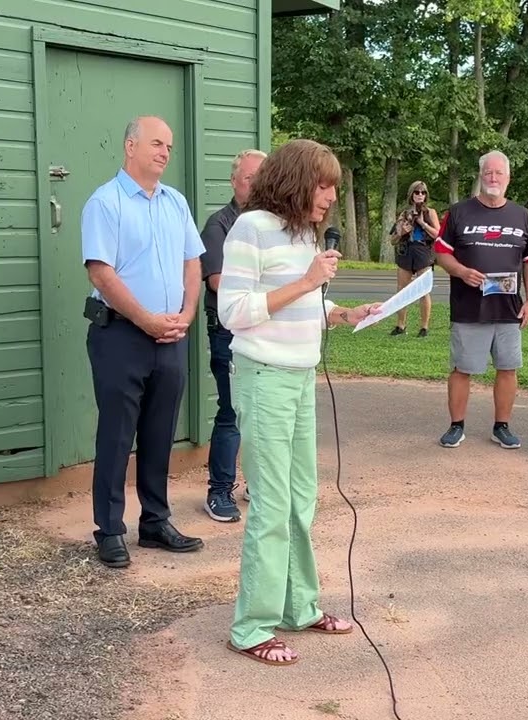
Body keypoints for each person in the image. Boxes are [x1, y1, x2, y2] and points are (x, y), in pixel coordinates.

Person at [218, 138, 381, 666]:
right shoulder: (251, 228)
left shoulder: (304, 234)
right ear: (294, 181)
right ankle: (251, 627)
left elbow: (305, 296)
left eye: (334, 186)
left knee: (300, 499)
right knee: (270, 505)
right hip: (264, 378)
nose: (331, 196)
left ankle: (299, 606)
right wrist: (308, 280)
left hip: (299, 377)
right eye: (324, 184)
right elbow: (234, 311)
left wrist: (340, 311)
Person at [80, 116, 205, 569]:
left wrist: (186, 314)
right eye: (157, 143)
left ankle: (154, 521)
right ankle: (109, 530)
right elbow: (101, 272)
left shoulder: (175, 203)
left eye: (169, 146)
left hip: (171, 335)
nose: (165, 152)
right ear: (130, 145)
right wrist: (146, 320)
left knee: (160, 432)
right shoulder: (106, 202)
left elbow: (193, 263)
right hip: (121, 335)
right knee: (117, 435)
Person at [433, 150, 528, 450]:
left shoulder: (521, 216)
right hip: (469, 308)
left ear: (508, 178)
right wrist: (461, 271)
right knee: (462, 369)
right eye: (488, 173)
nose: (493, 178)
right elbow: (441, 252)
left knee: (508, 368)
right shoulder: (459, 212)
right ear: (481, 176)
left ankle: (501, 427)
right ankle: (456, 426)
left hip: (508, 309)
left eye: (499, 173)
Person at [199, 148, 266, 522]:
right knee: (232, 412)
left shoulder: (273, 224)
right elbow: (218, 282)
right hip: (229, 334)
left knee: (259, 414)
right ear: (234, 181)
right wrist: (270, 293)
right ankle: (219, 491)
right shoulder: (219, 225)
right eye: (248, 178)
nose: (255, 186)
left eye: (262, 178)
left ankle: (255, 483)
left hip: (264, 332)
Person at [388, 180, 441, 336]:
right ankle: (401, 325)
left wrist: (422, 223)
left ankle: (424, 327)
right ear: (411, 194)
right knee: (401, 290)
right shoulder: (404, 213)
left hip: (423, 251)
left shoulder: (430, 212)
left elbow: (438, 235)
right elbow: (393, 240)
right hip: (406, 251)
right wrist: (402, 232)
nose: (420, 195)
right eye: (417, 192)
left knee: (423, 290)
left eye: (423, 192)